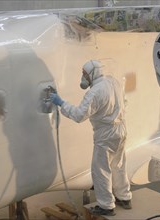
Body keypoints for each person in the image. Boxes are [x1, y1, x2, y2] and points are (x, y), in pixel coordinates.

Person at [50, 60, 132, 216]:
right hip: (121, 128)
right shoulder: (113, 81)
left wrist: (61, 103)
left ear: (92, 74)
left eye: (85, 74)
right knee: (119, 164)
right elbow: (125, 102)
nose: (83, 77)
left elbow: (79, 115)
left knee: (101, 170)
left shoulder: (94, 92)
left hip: (105, 133)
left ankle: (107, 205)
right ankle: (124, 197)